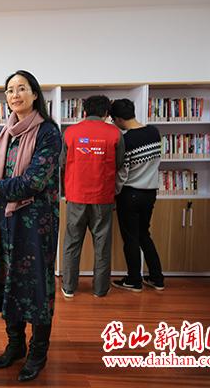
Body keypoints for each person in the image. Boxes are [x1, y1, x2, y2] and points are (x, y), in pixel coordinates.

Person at [0, 70, 62, 382]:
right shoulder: (6, 132)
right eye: (10, 90)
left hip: (35, 222)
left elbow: (34, 181)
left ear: (35, 94)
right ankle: (15, 344)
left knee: (36, 285)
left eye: (21, 88)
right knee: (8, 279)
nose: (15, 95)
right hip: (5, 219)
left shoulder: (48, 132)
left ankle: (38, 352)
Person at [60, 95, 124, 298]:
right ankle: (100, 289)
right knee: (102, 245)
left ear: (84, 111)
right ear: (106, 113)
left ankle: (69, 287)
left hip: (76, 197)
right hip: (103, 198)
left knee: (72, 243)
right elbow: (119, 163)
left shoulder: (70, 132)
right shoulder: (115, 133)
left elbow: (62, 163)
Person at [110, 99, 164, 292]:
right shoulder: (154, 132)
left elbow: (123, 173)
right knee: (144, 235)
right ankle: (157, 278)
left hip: (130, 193)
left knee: (131, 238)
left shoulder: (127, 140)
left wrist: (115, 193)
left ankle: (134, 280)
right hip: (150, 192)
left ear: (118, 119)